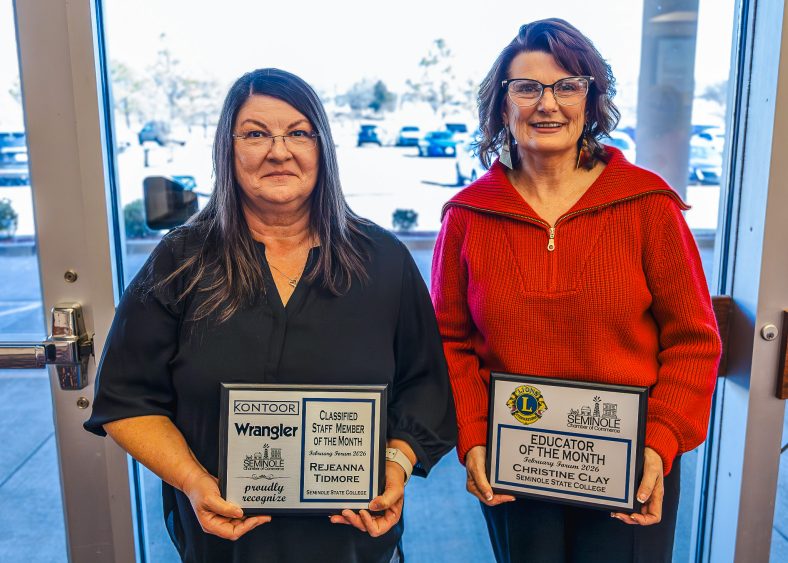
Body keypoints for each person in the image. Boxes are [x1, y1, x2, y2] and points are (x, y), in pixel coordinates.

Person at [84, 68, 456, 563]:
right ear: (227, 148)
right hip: (224, 543)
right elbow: (127, 398)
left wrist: (396, 463)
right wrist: (193, 482)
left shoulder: (384, 260)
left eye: (299, 133)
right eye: (256, 133)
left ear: (322, 148)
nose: (279, 151)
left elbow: (427, 385)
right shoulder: (181, 261)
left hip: (353, 539)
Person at [431, 19, 721, 563]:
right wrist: (471, 434)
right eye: (527, 87)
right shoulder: (467, 217)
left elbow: (694, 340)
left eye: (568, 85)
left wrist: (661, 441)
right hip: (514, 460)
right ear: (501, 105)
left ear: (591, 100)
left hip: (631, 461)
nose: (548, 104)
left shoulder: (647, 206)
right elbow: (450, 341)